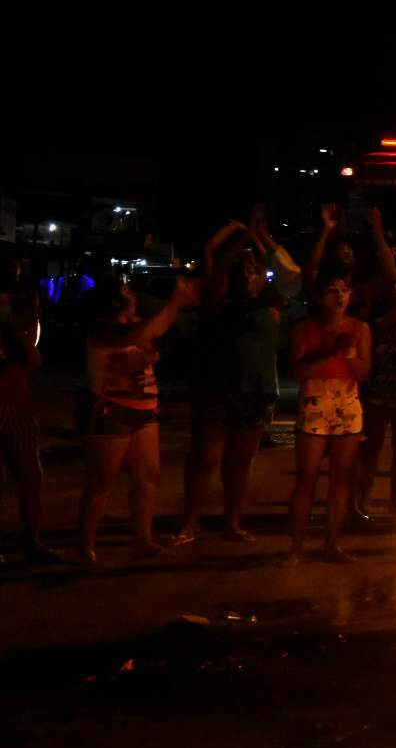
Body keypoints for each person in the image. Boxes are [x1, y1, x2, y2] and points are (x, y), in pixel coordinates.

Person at [78, 275, 199, 562]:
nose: (132, 293)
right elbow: (147, 337)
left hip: (143, 409)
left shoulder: (134, 327)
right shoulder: (103, 330)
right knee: (101, 481)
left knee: (147, 477)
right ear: (114, 302)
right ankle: (85, 546)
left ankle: (142, 540)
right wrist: (176, 301)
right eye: (126, 291)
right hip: (111, 410)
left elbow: (153, 338)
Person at [177, 228, 282, 544]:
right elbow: (217, 275)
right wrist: (238, 244)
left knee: (240, 460)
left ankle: (232, 522)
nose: (247, 276)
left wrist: (259, 238)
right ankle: (189, 523)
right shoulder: (217, 305)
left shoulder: (270, 302)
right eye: (242, 271)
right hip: (217, 389)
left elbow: (288, 271)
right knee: (204, 458)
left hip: (255, 392)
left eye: (253, 271)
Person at [286, 272, 370, 563]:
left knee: (341, 479)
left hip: (347, 405)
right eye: (331, 290)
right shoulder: (304, 330)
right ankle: (296, 548)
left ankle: (331, 544)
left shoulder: (360, 329)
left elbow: (363, 373)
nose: (338, 296)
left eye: (344, 290)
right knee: (306, 478)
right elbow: (297, 372)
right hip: (315, 404)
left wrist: (348, 354)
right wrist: (329, 352)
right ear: (320, 297)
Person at [355, 271, 396, 517]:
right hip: (377, 389)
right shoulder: (372, 316)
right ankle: (364, 498)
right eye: (391, 283)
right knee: (372, 446)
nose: (395, 287)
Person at [0, 257, 51, 561]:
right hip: (12, 404)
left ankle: (33, 541)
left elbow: (33, 360)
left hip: (18, 405)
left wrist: (19, 328)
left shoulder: (14, 326)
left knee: (29, 477)